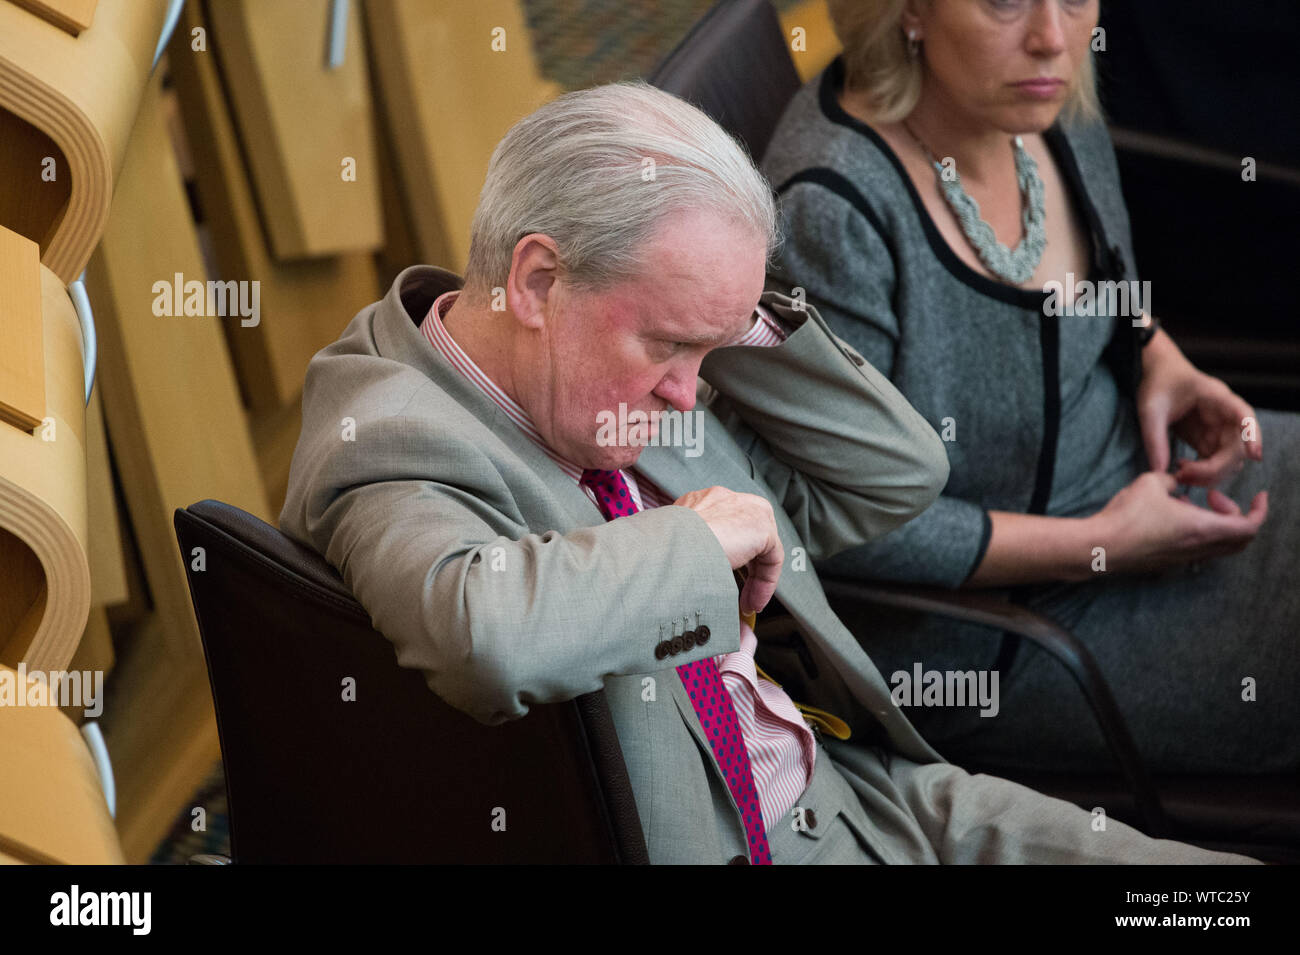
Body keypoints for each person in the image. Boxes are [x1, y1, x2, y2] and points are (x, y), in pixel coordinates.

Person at [278, 80, 1251, 863]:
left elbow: (894, 473)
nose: (688, 396)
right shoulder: (392, 435)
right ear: (535, 280)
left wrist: (727, 313)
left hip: (869, 799)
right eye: (669, 342)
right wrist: (694, 544)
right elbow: (481, 636)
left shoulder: (613, 373)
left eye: (717, 348)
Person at [759, 0, 1298, 776]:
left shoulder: (1039, 97)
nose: (1053, 38)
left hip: (1143, 484)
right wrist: (1098, 547)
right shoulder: (831, 214)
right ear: (907, 10)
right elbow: (835, 522)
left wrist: (1159, 357)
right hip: (995, 638)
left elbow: (1107, 279)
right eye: (1004, 2)